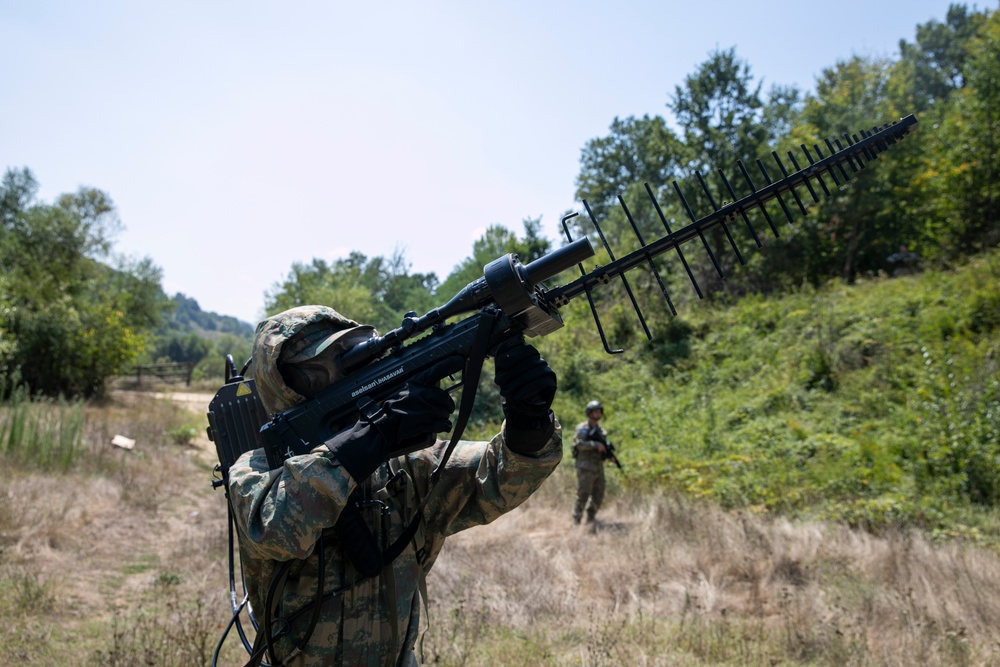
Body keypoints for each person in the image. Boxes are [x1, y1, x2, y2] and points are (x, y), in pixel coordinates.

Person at [226, 305, 562, 666]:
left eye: (346, 360)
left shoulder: (407, 465)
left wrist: (529, 418)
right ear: (281, 386)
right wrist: (376, 432)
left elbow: (498, 479)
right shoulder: (256, 472)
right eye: (315, 369)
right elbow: (277, 528)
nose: (337, 376)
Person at [572, 400, 609, 525]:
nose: (598, 413)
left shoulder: (601, 431)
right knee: (583, 494)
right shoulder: (583, 428)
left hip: (598, 466)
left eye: (599, 411)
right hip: (585, 467)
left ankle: (591, 518)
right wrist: (594, 444)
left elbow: (603, 448)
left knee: (599, 494)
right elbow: (579, 444)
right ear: (589, 413)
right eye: (595, 411)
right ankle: (576, 520)